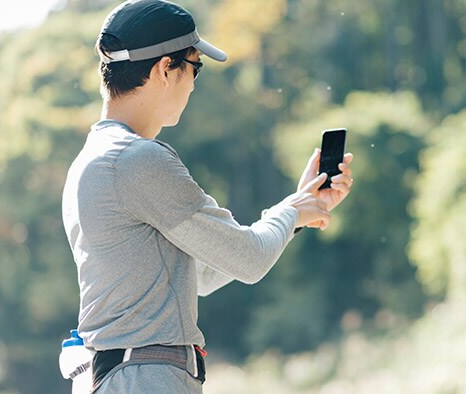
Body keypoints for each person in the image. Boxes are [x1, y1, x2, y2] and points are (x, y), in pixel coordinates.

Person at [60, 0, 354, 393]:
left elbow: (206, 273)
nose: (195, 82)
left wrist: (296, 212)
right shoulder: (137, 159)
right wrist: (291, 211)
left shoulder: (93, 161)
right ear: (165, 69)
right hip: (145, 378)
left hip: (123, 377)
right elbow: (249, 259)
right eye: (194, 67)